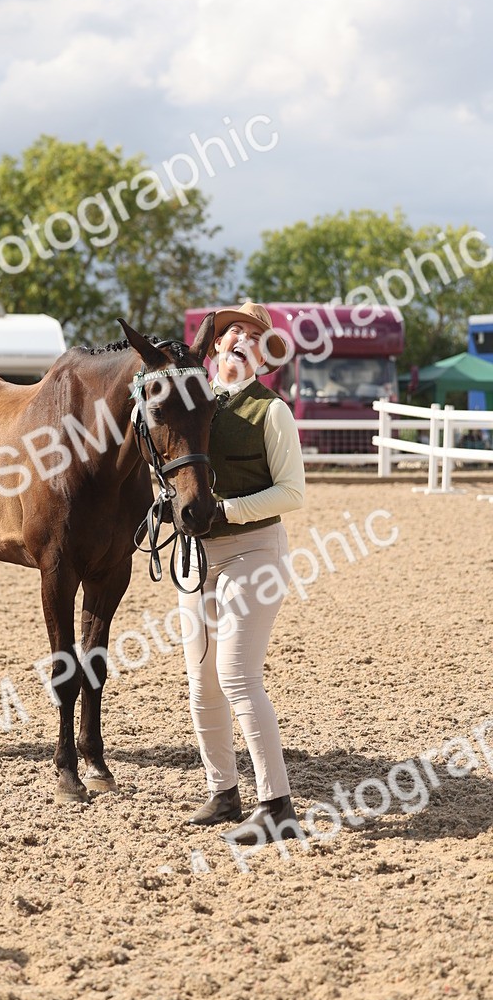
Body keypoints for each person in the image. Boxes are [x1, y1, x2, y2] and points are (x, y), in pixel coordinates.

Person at [178, 300, 305, 844]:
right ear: (215, 343)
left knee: (237, 676)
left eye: (254, 337)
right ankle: (223, 791)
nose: (242, 340)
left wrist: (227, 510)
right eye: (234, 331)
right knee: (201, 681)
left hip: (254, 550)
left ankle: (277, 806)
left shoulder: (272, 411)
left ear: (263, 356)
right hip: (195, 556)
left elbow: (292, 492)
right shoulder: (189, 403)